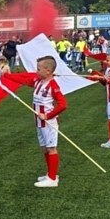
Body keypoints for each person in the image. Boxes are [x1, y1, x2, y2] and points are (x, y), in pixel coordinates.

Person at [31, 56, 67, 188]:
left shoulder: (53, 86)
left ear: (48, 70)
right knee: (44, 148)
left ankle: (52, 178)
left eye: (39, 69)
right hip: (39, 121)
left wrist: (48, 115)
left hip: (49, 122)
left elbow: (63, 105)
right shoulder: (39, 81)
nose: (36, 71)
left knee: (51, 148)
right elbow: (24, 78)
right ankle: (50, 173)